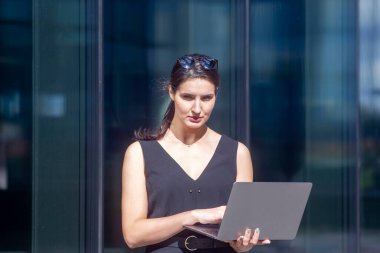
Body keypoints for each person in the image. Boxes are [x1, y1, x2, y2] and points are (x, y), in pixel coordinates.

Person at [122, 53, 271, 252]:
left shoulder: (238, 154)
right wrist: (194, 216)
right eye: (188, 97)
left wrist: (243, 244)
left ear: (216, 96)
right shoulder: (139, 154)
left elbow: (241, 240)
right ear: (171, 93)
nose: (197, 109)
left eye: (207, 98)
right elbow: (133, 235)